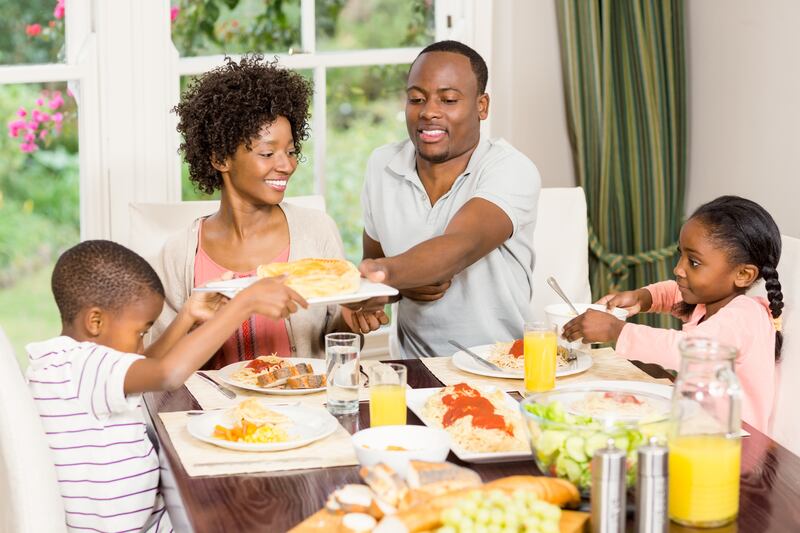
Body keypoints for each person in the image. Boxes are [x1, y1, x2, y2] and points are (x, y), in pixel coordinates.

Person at [26, 240, 306, 532]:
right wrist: (242, 305)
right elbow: (166, 374)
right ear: (95, 321)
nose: (142, 343)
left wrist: (187, 315)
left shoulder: (64, 365)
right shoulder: (86, 365)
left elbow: (145, 365)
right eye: (141, 332)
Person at [151, 54, 380, 368]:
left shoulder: (316, 231)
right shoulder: (179, 253)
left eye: (290, 151)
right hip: (214, 414)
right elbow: (152, 370)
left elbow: (332, 348)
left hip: (303, 412)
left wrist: (350, 323)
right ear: (220, 159)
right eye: (267, 152)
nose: (286, 165)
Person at [357, 40, 541, 357]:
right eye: (417, 98)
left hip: (503, 368)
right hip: (413, 371)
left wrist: (387, 275)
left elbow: (461, 244)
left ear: (482, 106)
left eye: (449, 99)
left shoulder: (511, 168)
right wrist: (392, 285)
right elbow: (376, 261)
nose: (429, 111)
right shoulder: (382, 165)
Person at [562, 195, 784, 433]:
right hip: (695, 429)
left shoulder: (743, 317)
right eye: (681, 255)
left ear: (743, 275)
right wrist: (642, 297)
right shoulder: (709, 303)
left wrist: (616, 330)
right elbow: (672, 293)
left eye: (694, 262)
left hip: (734, 445)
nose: (679, 268)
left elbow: (684, 350)